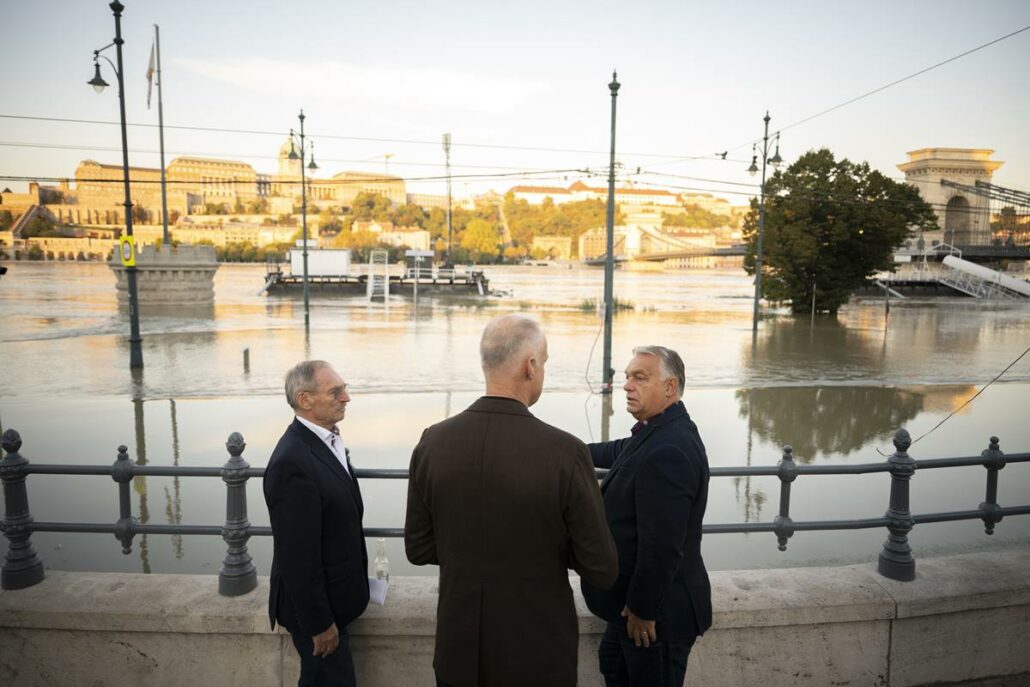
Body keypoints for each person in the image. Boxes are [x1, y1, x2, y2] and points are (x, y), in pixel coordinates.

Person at [405, 314, 618, 687]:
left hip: (459, 653)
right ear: (530, 366)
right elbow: (601, 567)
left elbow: (418, 548)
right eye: (545, 362)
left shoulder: (432, 442)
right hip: (538, 656)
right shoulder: (565, 452)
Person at [581, 346, 712, 687]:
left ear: (670, 387)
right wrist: (559, 449)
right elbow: (616, 451)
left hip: (655, 622)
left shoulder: (669, 449)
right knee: (614, 669)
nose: (627, 385)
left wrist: (642, 610)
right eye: (626, 376)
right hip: (627, 614)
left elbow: (663, 546)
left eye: (640, 377)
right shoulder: (657, 432)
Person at [264, 360, 369, 687]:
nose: (346, 397)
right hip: (315, 614)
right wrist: (319, 624)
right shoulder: (292, 462)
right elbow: (297, 555)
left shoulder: (326, 441)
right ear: (305, 400)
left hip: (333, 601)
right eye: (336, 391)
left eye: (344, 389)